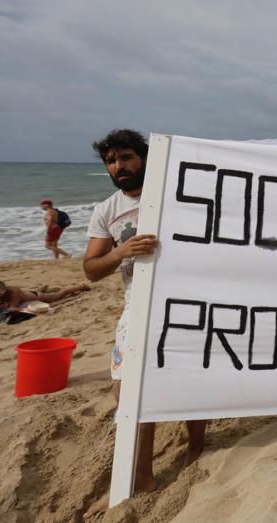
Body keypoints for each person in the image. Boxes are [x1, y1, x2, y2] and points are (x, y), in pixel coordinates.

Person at [82, 129, 207, 519]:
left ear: (144, 158)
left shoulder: (175, 191)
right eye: (111, 161)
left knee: (187, 380)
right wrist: (121, 251)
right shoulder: (106, 210)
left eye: (126, 158)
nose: (118, 166)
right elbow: (90, 269)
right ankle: (142, 476)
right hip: (135, 309)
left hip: (184, 303)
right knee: (127, 393)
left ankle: (197, 446)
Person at [0, 277, 90, 323]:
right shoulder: (4, 294)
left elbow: (14, 308)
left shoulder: (13, 293)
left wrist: (0, 306)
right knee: (28, 295)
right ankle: (44, 289)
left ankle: (80, 287)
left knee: (60, 295)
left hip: (37, 296)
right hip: (26, 296)